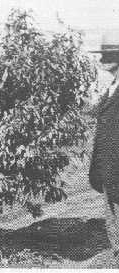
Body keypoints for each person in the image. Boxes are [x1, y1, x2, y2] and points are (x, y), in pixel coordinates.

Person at [89, 34, 119, 260]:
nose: (103, 60)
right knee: (111, 215)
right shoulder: (111, 87)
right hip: (109, 167)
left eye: (110, 56)